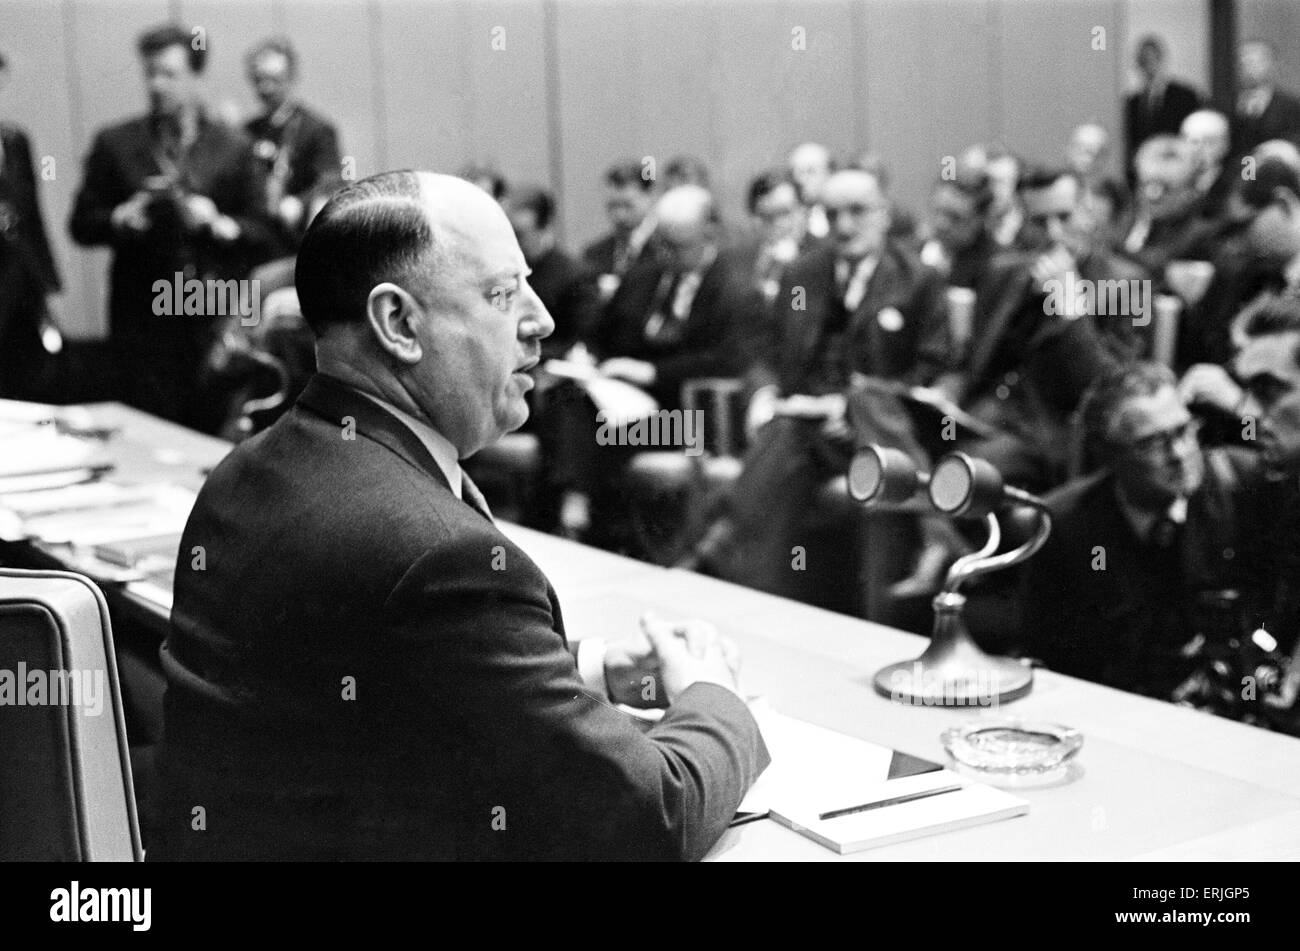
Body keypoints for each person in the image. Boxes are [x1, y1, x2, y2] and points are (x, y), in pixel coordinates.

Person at [151, 171, 768, 861]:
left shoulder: (250, 470)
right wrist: (716, 699)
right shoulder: (433, 554)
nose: (543, 320)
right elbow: (650, 817)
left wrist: (594, 670)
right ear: (399, 324)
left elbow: (408, 657)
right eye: (503, 294)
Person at [687, 166, 956, 601]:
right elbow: (763, 354)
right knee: (785, 435)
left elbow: (934, 367)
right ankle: (760, 600)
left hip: (884, 429)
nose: (844, 227)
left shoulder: (917, 279)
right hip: (808, 422)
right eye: (832, 215)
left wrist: (852, 407)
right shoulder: (802, 275)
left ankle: (722, 544)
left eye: (857, 212)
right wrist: (764, 393)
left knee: (840, 428)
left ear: (884, 214)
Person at [68, 22, 272, 429]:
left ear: (195, 76)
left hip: (211, 306)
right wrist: (119, 218)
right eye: (151, 73)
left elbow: (266, 235)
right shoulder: (116, 143)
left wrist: (217, 222)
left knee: (212, 425)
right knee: (146, 426)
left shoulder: (234, 147)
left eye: (169, 74)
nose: (157, 84)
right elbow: (81, 225)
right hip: (141, 316)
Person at [1021, 362, 1265, 699]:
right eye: (1152, 443)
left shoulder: (1244, 485)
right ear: (1107, 454)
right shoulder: (1067, 528)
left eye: (1183, 431)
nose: (1179, 455)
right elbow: (1054, 660)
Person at [954, 167, 1139, 490]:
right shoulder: (1004, 272)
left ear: (1089, 213)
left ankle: (940, 538)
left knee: (968, 467)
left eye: (1064, 217)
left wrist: (1071, 309)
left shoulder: (1125, 283)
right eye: (1039, 222)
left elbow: (1111, 391)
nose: (1053, 233)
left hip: (1057, 432)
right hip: (986, 414)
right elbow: (977, 365)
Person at [0, 51, 63, 400]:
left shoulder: (14, 140)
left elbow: (32, 214)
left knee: (30, 376)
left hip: (20, 275)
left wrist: (48, 282)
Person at [243, 36, 343, 255]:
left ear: (291, 78)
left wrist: (299, 202)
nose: (266, 88)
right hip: (254, 234)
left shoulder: (317, 130)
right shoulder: (247, 131)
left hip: (295, 238)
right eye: (259, 80)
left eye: (274, 79)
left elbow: (332, 181)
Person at [1124, 35, 1201, 181]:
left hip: (1177, 167)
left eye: (1153, 59)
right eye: (1144, 61)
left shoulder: (1185, 95)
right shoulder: (1132, 102)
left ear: (1161, 60)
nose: (1149, 66)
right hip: (1144, 170)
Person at [582, 159, 657, 301]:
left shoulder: (666, 250)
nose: (619, 215)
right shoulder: (594, 253)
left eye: (627, 205)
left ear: (649, 197)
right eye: (613, 206)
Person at [1234, 40, 1300, 155]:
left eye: (1253, 62)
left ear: (1272, 65)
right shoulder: (1224, 103)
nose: (1247, 68)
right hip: (1235, 169)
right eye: (1242, 63)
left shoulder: (1291, 106)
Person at [1180, 110, 1233, 222]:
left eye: (1208, 142)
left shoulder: (1232, 186)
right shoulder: (1172, 183)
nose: (1198, 149)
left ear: (1225, 145)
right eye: (1193, 141)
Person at [788, 141, 833, 240]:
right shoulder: (785, 219)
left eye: (810, 171)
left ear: (829, 173)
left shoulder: (842, 216)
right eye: (794, 173)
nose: (799, 179)